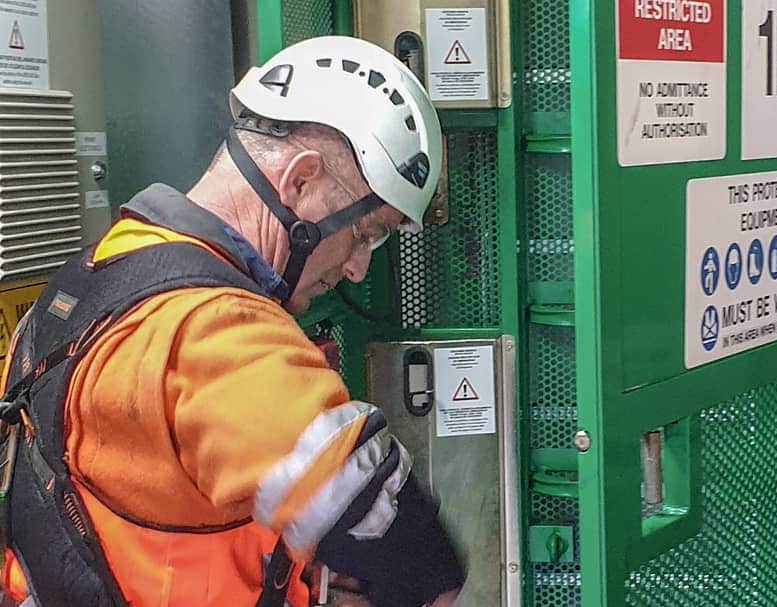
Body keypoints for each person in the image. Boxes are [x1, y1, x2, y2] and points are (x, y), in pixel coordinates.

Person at [0, 36, 463, 607]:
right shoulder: (210, 326)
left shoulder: (97, 272)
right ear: (301, 181)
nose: (356, 267)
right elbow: (402, 553)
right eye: (364, 234)